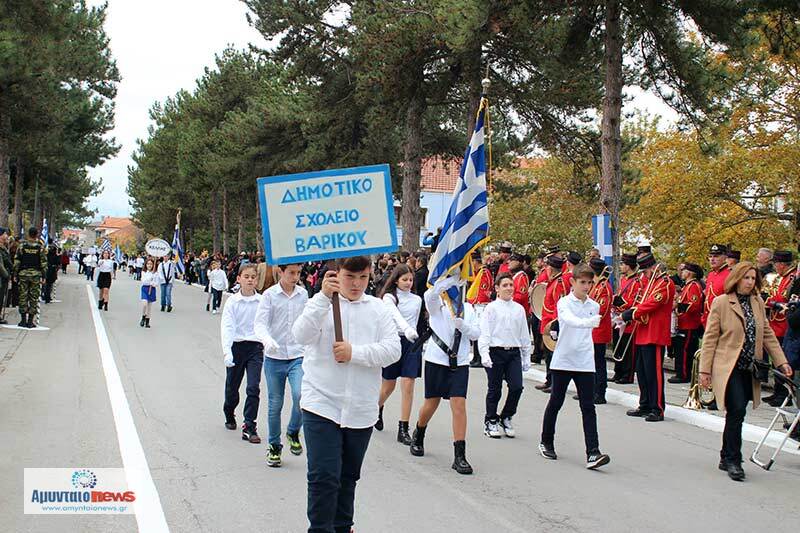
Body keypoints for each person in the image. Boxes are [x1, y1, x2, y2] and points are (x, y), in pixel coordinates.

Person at [291, 256, 400, 533]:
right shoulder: (322, 304)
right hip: (321, 403)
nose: (356, 284)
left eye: (363, 277)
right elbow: (300, 335)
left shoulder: (378, 309)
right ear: (337, 274)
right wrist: (323, 298)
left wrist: (356, 353)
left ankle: (343, 526)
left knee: (348, 476)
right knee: (323, 476)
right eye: (350, 277)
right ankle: (319, 528)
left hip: (361, 408)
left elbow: (392, 350)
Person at [700, 262, 792, 481]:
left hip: (749, 368)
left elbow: (767, 333)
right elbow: (710, 338)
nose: (750, 282)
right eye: (746, 278)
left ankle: (725, 455)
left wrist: (782, 362)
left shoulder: (757, 302)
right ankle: (734, 460)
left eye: (753, 278)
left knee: (736, 413)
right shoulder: (722, 302)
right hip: (728, 367)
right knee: (738, 409)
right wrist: (705, 371)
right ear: (737, 279)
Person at [538, 264, 610, 470]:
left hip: (584, 361)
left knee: (588, 407)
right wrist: (588, 323)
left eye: (589, 282)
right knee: (556, 401)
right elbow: (568, 321)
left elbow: (592, 323)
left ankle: (593, 452)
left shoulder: (593, 306)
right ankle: (546, 441)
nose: (586, 286)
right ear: (573, 282)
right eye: (582, 282)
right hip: (564, 359)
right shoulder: (564, 303)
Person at [409, 276, 480, 475]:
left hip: (460, 362)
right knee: (432, 402)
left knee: (459, 404)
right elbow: (428, 295)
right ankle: (419, 432)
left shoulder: (469, 309)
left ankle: (459, 456)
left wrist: (463, 325)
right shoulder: (438, 305)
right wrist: (446, 281)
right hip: (437, 359)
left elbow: (476, 334)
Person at [254, 263, 308, 468]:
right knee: (275, 404)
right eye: (291, 273)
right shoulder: (269, 295)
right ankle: (274, 445)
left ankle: (293, 430)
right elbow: (259, 324)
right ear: (280, 272)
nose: (295, 277)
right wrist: (268, 341)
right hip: (274, 357)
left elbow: (309, 321)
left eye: (298, 273)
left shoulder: (303, 295)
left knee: (301, 395)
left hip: (297, 355)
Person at [621, 253, 675, 422]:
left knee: (654, 374)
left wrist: (633, 313)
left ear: (653, 267)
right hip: (643, 331)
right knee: (643, 372)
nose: (643, 274)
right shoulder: (648, 282)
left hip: (656, 333)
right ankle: (644, 404)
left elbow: (653, 302)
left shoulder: (665, 283)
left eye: (646, 270)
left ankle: (657, 408)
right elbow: (641, 299)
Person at [478, 273, 531, 438]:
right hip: (495, 351)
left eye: (511, 285)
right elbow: (485, 332)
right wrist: (484, 354)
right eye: (505, 285)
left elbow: (524, 334)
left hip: (513, 352)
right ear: (497, 289)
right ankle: (491, 420)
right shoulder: (491, 308)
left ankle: (506, 416)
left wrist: (526, 355)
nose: (509, 288)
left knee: (517, 387)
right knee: (495, 389)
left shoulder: (519, 309)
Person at [375, 264, 422, 445]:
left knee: (408, 384)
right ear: (396, 280)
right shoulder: (389, 297)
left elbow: (416, 320)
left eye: (411, 280)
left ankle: (403, 427)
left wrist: (413, 333)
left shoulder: (417, 300)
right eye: (404, 280)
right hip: (394, 340)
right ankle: (376, 408)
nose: (408, 283)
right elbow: (394, 315)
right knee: (389, 385)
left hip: (411, 343)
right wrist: (406, 329)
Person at [221, 263, 264, 444]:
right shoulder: (233, 301)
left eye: (253, 277)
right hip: (237, 347)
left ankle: (249, 425)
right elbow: (227, 327)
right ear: (238, 279)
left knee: (253, 387)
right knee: (233, 387)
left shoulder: (262, 301)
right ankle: (229, 411)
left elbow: (266, 324)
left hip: (255, 347)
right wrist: (227, 352)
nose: (250, 280)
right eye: (246, 277)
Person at [763, 250, 797, 406]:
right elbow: (771, 295)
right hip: (775, 323)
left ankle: (784, 394)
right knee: (776, 360)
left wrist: (772, 302)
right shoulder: (779, 278)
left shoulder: (791, 279)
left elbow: (784, 299)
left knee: (783, 360)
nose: (775, 267)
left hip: (784, 324)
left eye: (776, 264)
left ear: (782, 264)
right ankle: (778, 391)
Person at [536, 254, 569, 392]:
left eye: (548, 266)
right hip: (547, 322)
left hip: (552, 323)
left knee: (554, 356)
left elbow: (559, 306)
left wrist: (555, 325)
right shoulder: (553, 282)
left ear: (551, 268)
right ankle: (549, 380)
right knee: (548, 355)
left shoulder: (559, 283)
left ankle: (555, 383)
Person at [671, 262, 704, 383]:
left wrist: (677, 306)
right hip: (683, 323)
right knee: (680, 349)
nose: (681, 273)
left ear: (689, 273)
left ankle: (684, 374)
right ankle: (681, 372)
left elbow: (693, 305)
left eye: (684, 271)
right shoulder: (686, 286)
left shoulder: (693, 286)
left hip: (689, 324)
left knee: (685, 350)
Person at [610, 253, 639, 383]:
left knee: (627, 349)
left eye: (622, 264)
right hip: (618, 317)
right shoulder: (623, 279)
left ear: (629, 266)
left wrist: (620, 303)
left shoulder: (636, 281)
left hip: (628, 320)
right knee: (618, 345)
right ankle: (618, 371)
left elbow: (633, 301)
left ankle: (627, 375)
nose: (621, 266)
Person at [588, 257, 612, 403]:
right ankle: (591, 389)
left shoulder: (604, 286)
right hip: (591, 329)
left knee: (598, 362)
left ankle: (600, 392)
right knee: (590, 362)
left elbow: (601, 310)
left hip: (598, 329)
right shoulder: (595, 285)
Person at [14, 227, 46, 328]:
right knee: (34, 297)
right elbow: (43, 263)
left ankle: (23, 320)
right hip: (35, 275)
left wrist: (15, 274)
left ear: (28, 234)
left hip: (23, 274)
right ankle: (30, 321)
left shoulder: (22, 246)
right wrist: (44, 276)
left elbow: (17, 261)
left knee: (23, 296)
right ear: (36, 235)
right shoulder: (40, 247)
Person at [702, 244, 731, 327]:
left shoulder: (730, 275)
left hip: (723, 321)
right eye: (710, 256)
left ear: (725, 257)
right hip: (708, 320)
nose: (712, 259)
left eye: (716, 256)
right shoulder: (711, 274)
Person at [139, 258, 158, 328]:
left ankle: (147, 321)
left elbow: (156, 283)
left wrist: (153, 283)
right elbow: (144, 281)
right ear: (146, 265)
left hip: (152, 289)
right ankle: (143, 316)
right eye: (148, 264)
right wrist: (150, 278)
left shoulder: (155, 273)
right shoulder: (143, 272)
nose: (149, 265)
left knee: (149, 306)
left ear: (153, 265)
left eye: (151, 264)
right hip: (145, 288)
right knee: (144, 304)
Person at [0, 227, 12, 324]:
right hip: (1, 276)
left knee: (2, 297)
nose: (6, 236)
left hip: (3, 277)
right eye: (4, 234)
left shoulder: (4, 247)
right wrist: (7, 274)